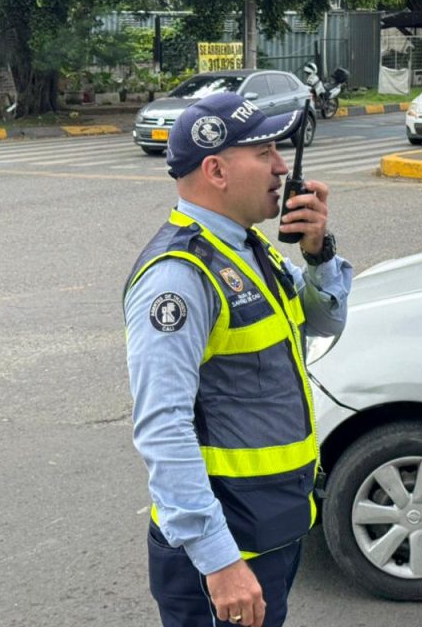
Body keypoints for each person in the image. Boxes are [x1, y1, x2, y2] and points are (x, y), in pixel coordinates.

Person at [124, 91, 353, 627]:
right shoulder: (179, 278)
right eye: (265, 151)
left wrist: (318, 252)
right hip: (228, 548)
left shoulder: (248, 248)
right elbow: (162, 428)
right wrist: (220, 562)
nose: (281, 167)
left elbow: (325, 321)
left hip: (269, 526)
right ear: (216, 170)